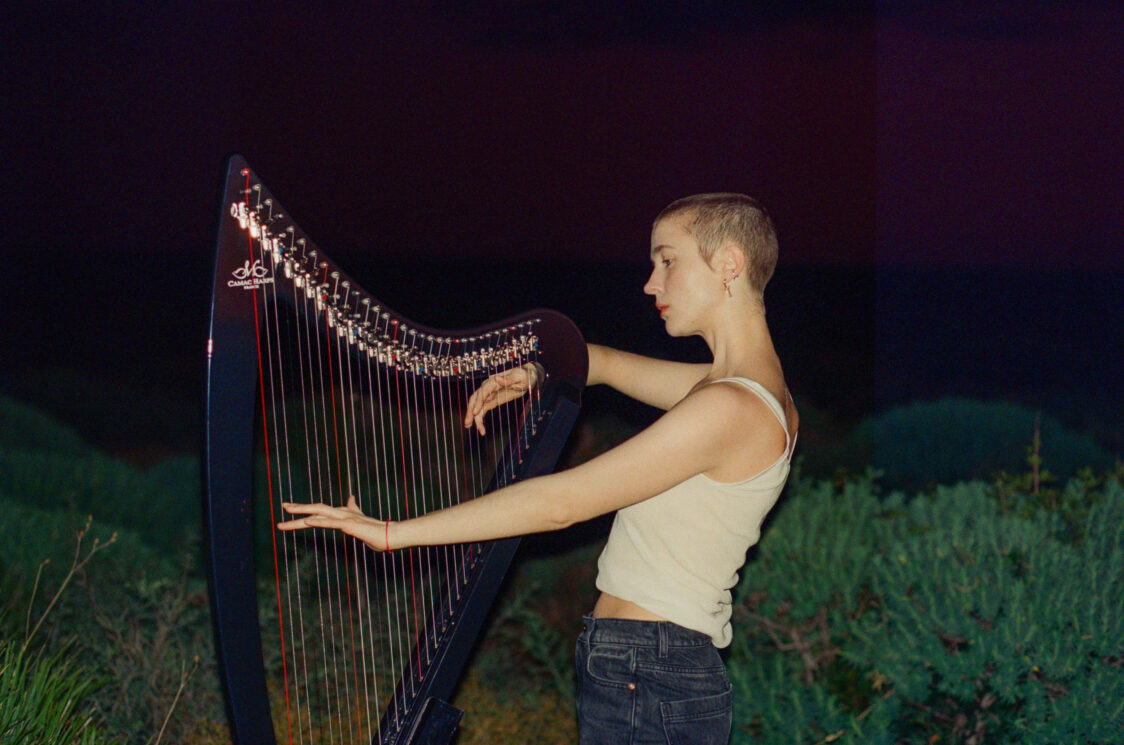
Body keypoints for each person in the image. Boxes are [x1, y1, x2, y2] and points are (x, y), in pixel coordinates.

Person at [279, 193, 798, 745]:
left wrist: (393, 533)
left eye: (668, 261)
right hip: (651, 665)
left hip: (652, 669)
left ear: (729, 264)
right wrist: (534, 373)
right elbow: (605, 362)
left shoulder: (730, 407)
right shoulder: (742, 393)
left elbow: (560, 505)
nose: (651, 284)